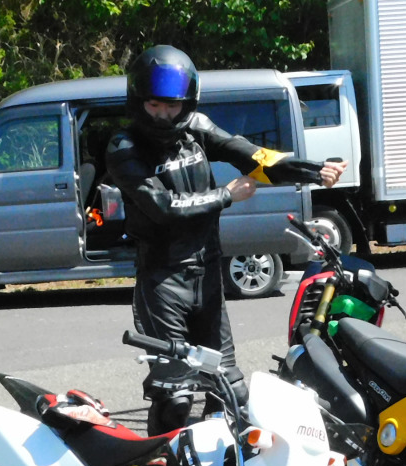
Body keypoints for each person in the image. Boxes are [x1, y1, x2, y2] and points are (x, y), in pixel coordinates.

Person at [106, 45, 347, 434]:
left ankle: (220, 463)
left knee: (228, 388)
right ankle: (162, 465)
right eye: (154, 105)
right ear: (138, 101)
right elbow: (162, 206)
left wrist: (314, 171)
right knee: (175, 396)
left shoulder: (196, 127)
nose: (163, 114)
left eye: (172, 105)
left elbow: (253, 157)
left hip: (208, 277)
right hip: (163, 282)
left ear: (187, 102)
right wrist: (225, 195)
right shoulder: (124, 146)